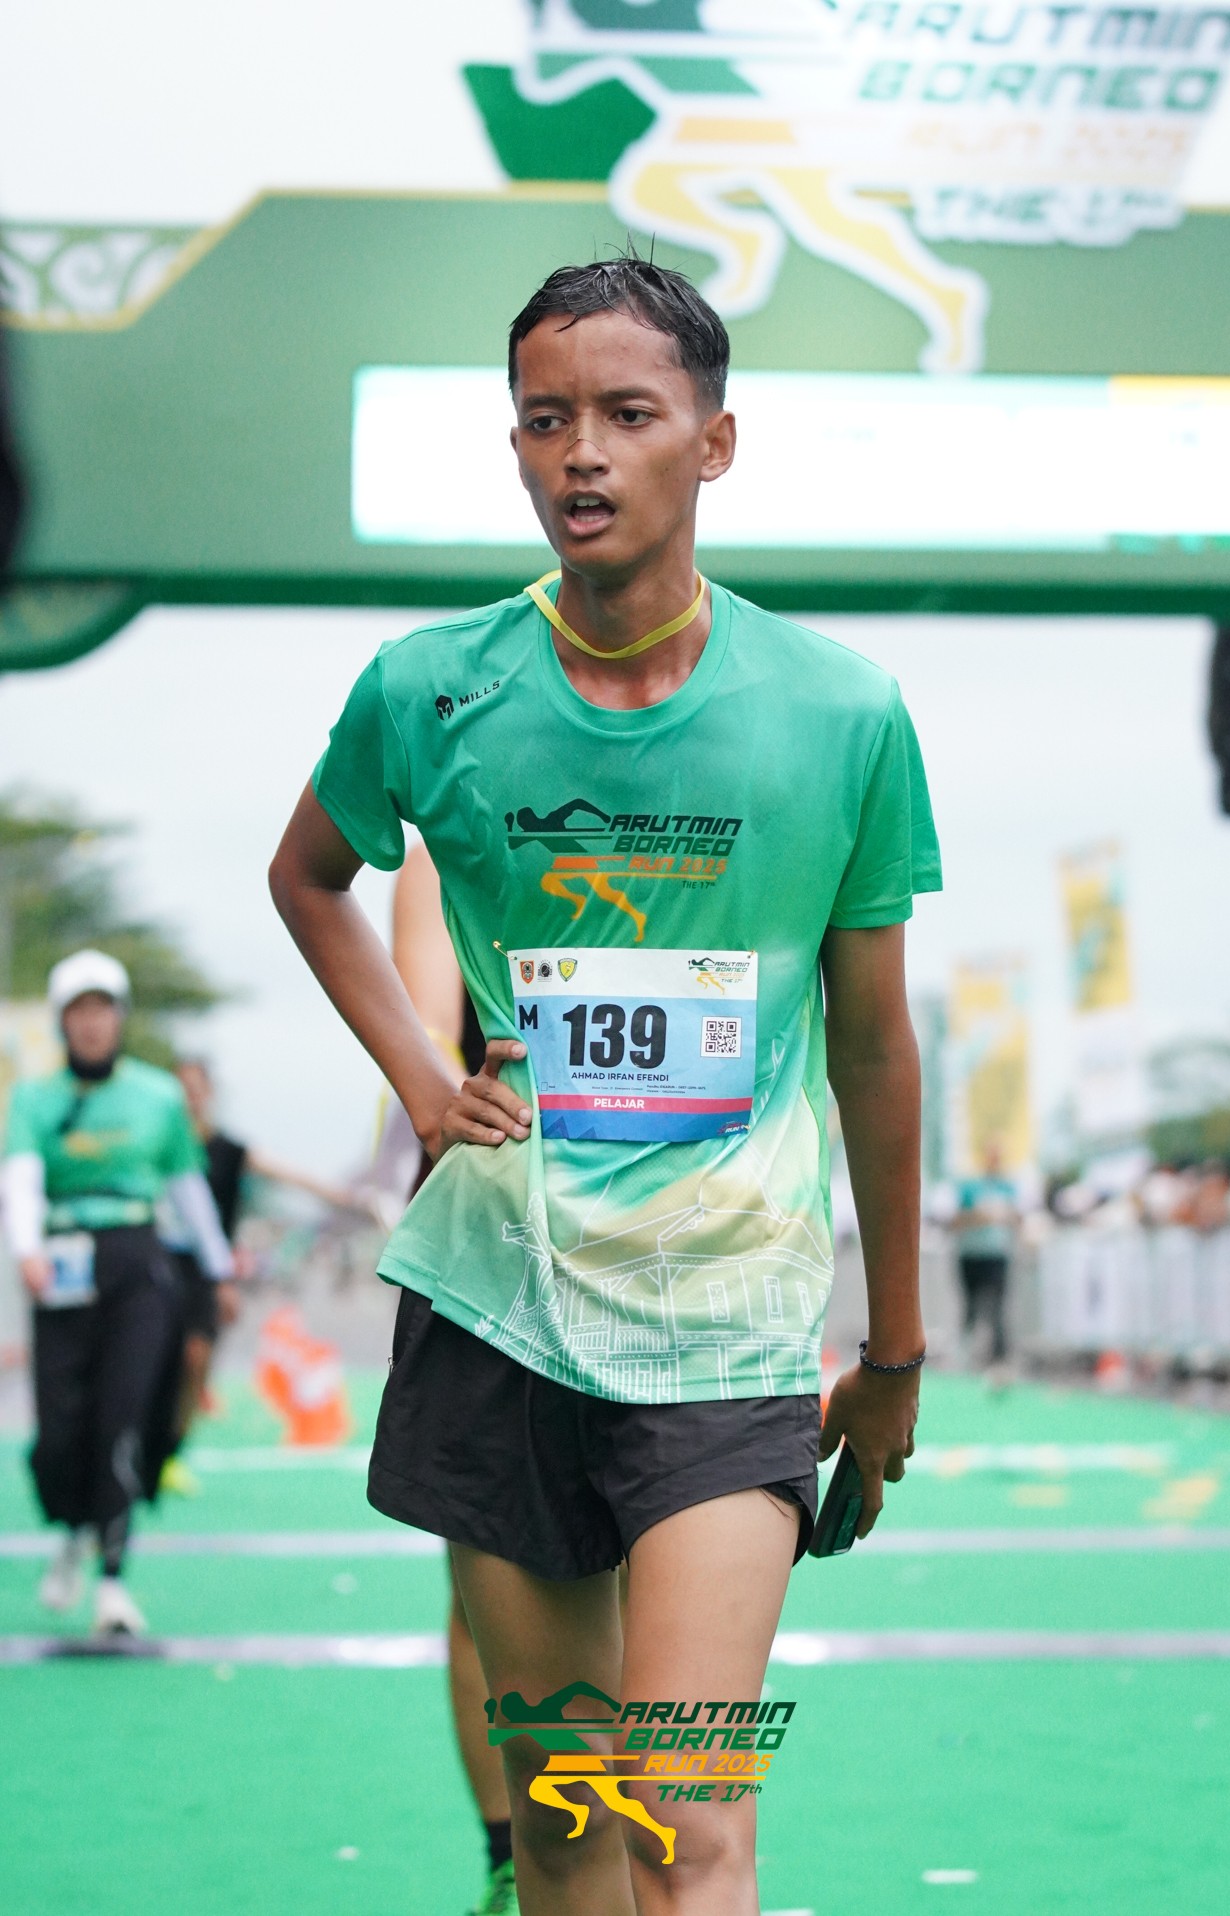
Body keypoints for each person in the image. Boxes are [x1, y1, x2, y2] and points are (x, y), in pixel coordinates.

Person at [270, 257, 940, 1913]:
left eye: (628, 414)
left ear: (714, 442)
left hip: (729, 1328)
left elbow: (873, 1046)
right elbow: (309, 878)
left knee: (687, 1819)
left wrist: (898, 1354)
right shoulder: (430, 687)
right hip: (500, 1315)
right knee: (567, 1818)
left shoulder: (843, 713)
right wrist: (423, 1082)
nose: (580, 452)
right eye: (543, 418)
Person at [0, 950, 234, 1636]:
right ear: (61, 1021)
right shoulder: (33, 1098)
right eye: (78, 1010)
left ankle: (111, 1580)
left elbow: (187, 1189)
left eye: (102, 1008)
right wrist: (26, 1248)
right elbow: (21, 1177)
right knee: (58, 1434)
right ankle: (74, 1526)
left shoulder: (158, 1096)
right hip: (61, 1267)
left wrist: (219, 1271)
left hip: (137, 1263)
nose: (92, 1023)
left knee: (122, 1418)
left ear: (120, 1017)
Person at [389, 840, 519, 1916]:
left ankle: (644, 1842)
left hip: (666, 1235)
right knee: (483, 1586)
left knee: (648, 1565)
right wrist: (442, 1092)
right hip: (489, 1226)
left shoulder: (693, 810)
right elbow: (427, 1025)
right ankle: (510, 1850)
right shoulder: (443, 844)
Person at [160, 1057, 372, 1481]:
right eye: (181, 1090)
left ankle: (171, 1451)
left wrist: (343, 1198)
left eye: (196, 1089)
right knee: (158, 1358)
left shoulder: (229, 1150)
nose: (189, 1098)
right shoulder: (157, 1147)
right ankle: (148, 1445)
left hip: (209, 1271)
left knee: (197, 1358)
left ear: (209, 1094)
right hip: (161, 1264)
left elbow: (288, 1175)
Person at [951, 1141, 1020, 1375]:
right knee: (970, 1305)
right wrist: (978, 1217)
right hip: (971, 1255)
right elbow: (956, 1220)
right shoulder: (970, 1187)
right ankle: (964, 1355)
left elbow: (1016, 1219)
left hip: (996, 1255)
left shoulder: (1008, 1188)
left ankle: (999, 1359)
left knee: (997, 1307)